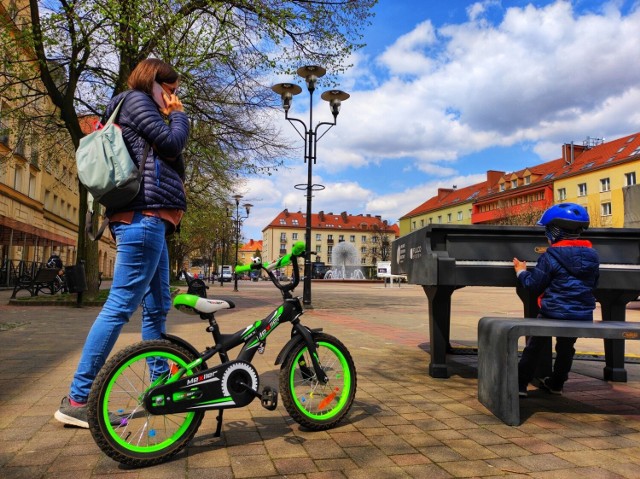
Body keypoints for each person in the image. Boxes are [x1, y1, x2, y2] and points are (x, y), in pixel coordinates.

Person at [55, 58, 189, 428]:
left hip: (153, 222)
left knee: (157, 306)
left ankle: (161, 383)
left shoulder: (132, 106)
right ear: (155, 82)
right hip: (143, 219)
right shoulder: (136, 100)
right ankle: (78, 399)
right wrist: (180, 116)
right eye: (171, 91)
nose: (173, 98)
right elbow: (171, 143)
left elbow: (165, 156)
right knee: (118, 308)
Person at [513, 203, 599, 398]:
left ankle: (519, 384)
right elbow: (594, 284)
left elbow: (534, 285)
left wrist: (521, 273)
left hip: (553, 312)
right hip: (581, 314)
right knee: (566, 347)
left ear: (554, 232)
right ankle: (557, 384)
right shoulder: (593, 255)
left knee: (534, 346)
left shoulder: (550, 255)